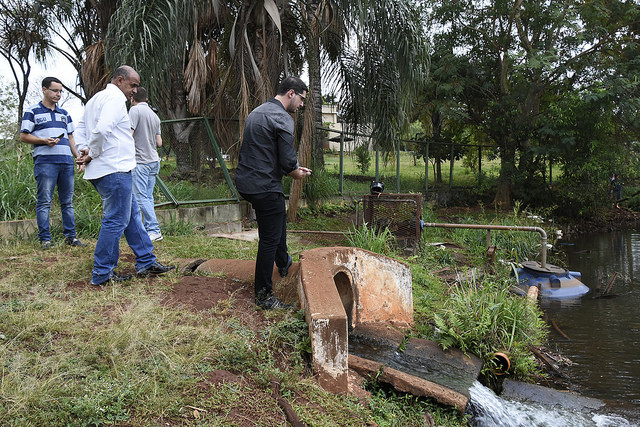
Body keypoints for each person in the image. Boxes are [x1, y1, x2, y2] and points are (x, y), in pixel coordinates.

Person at [75, 65, 174, 286]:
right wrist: (91, 153)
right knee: (116, 220)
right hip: (114, 169)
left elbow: (80, 127)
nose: (135, 91)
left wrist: (83, 149)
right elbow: (101, 131)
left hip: (106, 170)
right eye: (133, 85)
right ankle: (102, 273)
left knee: (130, 217)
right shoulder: (114, 99)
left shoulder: (95, 100)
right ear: (119, 80)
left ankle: (147, 261)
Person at [234, 76, 312, 309]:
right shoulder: (282, 118)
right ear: (291, 93)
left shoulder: (256, 112)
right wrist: (296, 172)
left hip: (246, 182)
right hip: (264, 185)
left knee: (277, 218)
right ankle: (264, 296)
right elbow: (288, 161)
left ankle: (284, 262)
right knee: (269, 238)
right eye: (301, 99)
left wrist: (290, 168)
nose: (301, 105)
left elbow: (263, 152)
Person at [20, 77, 86, 249]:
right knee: (44, 201)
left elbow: (71, 137)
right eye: (55, 90)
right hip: (45, 162)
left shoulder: (64, 114)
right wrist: (43, 140)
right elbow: (23, 136)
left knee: (68, 202)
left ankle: (71, 237)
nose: (58, 94)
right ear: (44, 90)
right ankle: (45, 240)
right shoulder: (32, 111)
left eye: (60, 91)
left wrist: (78, 157)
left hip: (66, 162)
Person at [130, 87, 163, 242]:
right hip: (153, 160)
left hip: (140, 161)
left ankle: (154, 229)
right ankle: (149, 229)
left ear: (132, 98)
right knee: (147, 197)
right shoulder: (154, 116)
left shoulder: (134, 111)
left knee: (140, 197)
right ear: (147, 99)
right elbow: (159, 142)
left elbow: (128, 135)